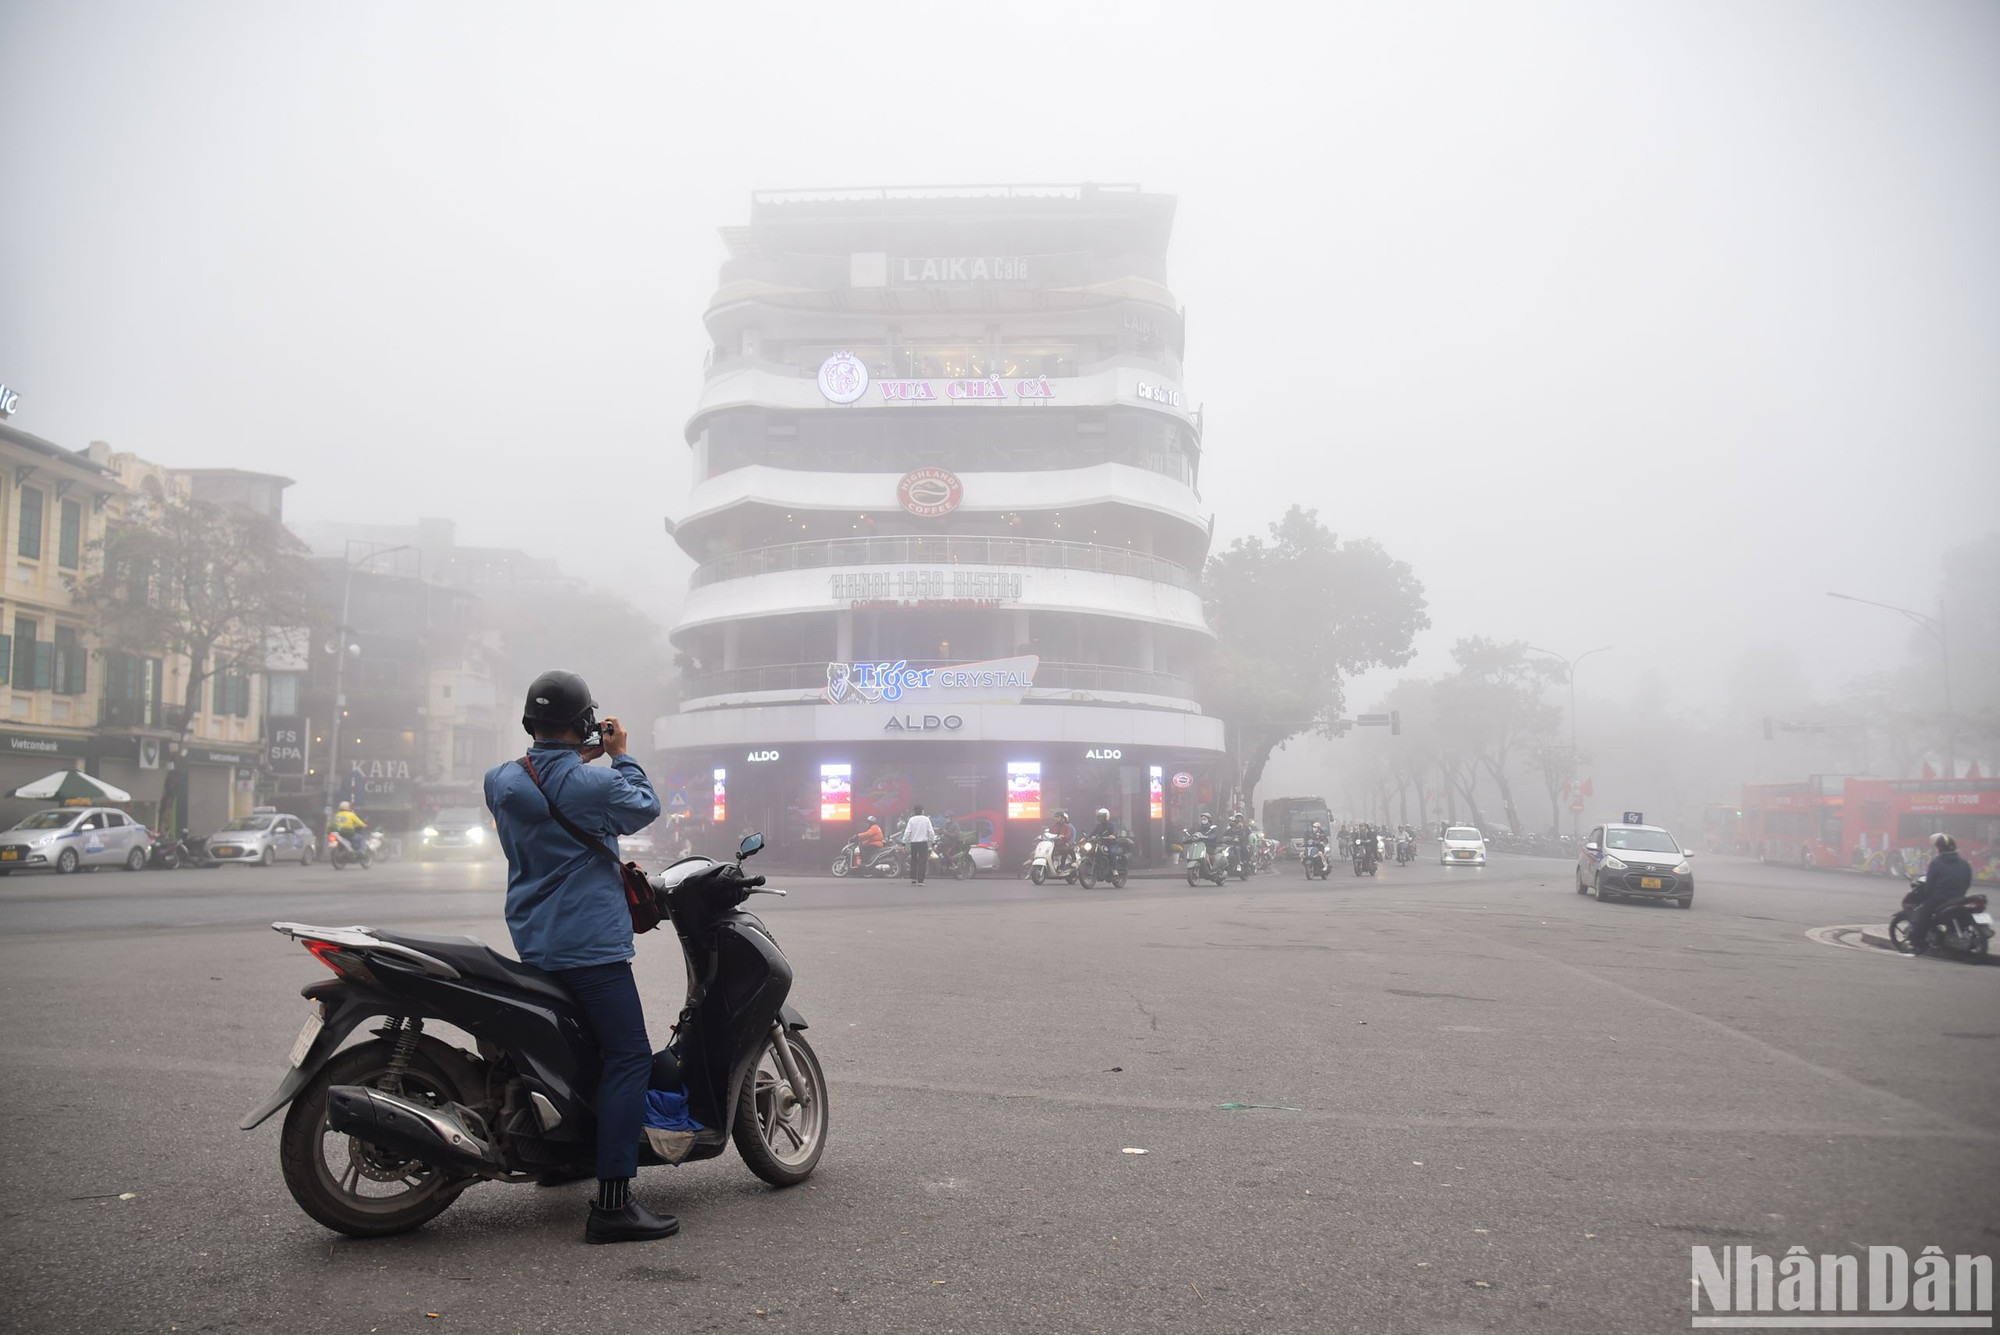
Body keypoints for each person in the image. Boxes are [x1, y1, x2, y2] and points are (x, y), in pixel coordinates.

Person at [484, 669, 673, 1245]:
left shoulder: (500, 781)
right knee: (628, 1055)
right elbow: (644, 806)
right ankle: (614, 1203)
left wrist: (584, 749)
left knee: (570, 1051)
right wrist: (620, 753)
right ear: (584, 720)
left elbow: (548, 774)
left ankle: (561, 1158)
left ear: (529, 720)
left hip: (533, 937)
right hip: (590, 946)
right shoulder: (596, 784)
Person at [1906, 832, 1973, 955]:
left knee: (1924, 914)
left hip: (1940, 898)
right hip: (1958, 898)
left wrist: (1926, 897)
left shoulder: (1937, 863)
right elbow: (1968, 882)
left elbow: (1929, 884)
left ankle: (1915, 943)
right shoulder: (1964, 863)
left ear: (1940, 848)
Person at [903, 804, 936, 886]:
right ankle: (920, 881)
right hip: (923, 843)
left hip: (913, 843)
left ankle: (913, 879)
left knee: (913, 860)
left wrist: (903, 843)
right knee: (922, 861)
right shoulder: (926, 819)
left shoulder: (911, 820)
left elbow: (907, 832)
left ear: (914, 811)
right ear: (922, 811)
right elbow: (931, 832)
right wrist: (933, 842)